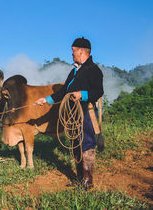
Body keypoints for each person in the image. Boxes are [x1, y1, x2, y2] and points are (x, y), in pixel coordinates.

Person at [35, 37, 103, 190]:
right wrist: (45, 100)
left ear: (81, 51)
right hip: (72, 113)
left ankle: (87, 181)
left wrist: (82, 94)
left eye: (73, 51)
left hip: (86, 112)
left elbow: (98, 91)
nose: (71, 54)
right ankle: (79, 178)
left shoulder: (94, 70)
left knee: (86, 144)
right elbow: (64, 92)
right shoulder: (74, 71)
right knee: (75, 144)